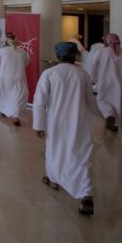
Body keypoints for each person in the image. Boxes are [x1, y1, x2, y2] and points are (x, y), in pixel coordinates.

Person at [33, 42, 96, 216]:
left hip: (55, 122)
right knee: (81, 157)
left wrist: (38, 125)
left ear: (57, 56)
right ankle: (86, 193)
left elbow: (39, 102)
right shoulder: (83, 75)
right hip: (79, 122)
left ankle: (54, 179)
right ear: (75, 56)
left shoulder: (49, 73)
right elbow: (90, 103)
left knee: (55, 151)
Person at [88, 33, 122, 132]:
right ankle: (115, 123)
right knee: (119, 105)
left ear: (107, 41)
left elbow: (93, 67)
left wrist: (92, 80)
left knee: (102, 101)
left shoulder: (101, 52)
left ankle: (109, 116)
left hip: (105, 83)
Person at [0, 33, 29, 126]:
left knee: (5, 95)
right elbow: (26, 63)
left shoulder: (2, 51)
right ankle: (15, 116)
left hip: (5, 78)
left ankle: (3, 109)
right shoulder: (22, 52)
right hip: (19, 78)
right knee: (17, 96)